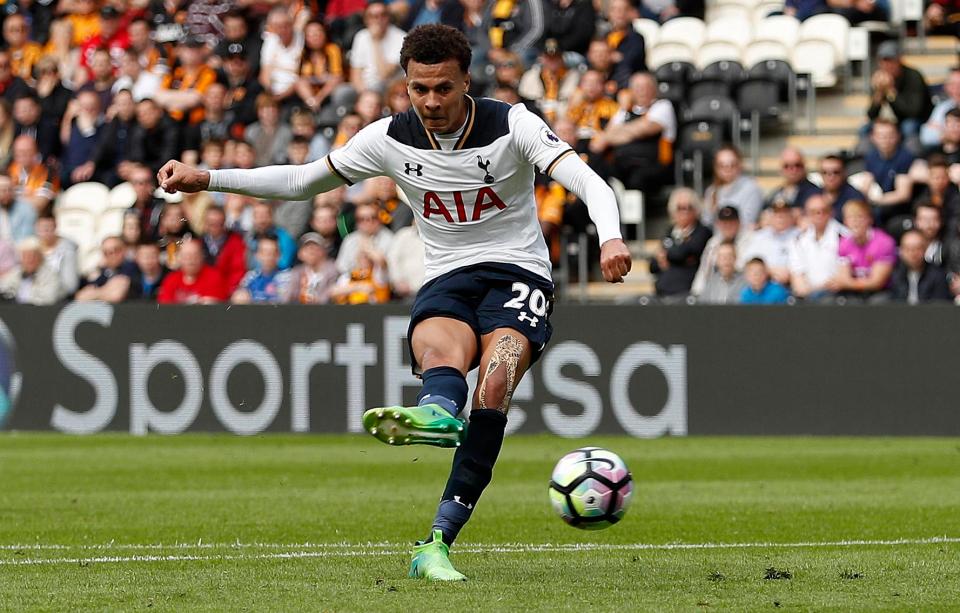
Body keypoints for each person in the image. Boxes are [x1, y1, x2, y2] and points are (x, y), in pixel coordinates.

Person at [156, 24, 629, 582]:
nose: (430, 102)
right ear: (405, 84)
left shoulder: (513, 124)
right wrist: (207, 178)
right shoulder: (388, 137)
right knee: (437, 350)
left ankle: (438, 539)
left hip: (517, 271)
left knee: (496, 381)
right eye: (418, 89)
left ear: (466, 82)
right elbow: (304, 181)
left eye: (443, 89)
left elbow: (590, 183)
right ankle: (436, 412)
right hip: (448, 274)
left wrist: (611, 236)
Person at [589, 71, 675, 194]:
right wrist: (625, 114)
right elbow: (604, 138)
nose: (643, 91)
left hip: (652, 164)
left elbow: (643, 129)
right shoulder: (624, 110)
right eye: (638, 87)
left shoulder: (662, 106)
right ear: (631, 91)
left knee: (637, 179)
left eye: (647, 87)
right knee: (597, 169)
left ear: (654, 89)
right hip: (622, 163)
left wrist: (620, 133)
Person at [865, 41, 932, 150]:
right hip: (890, 120)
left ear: (899, 60)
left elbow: (913, 112)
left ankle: (910, 159)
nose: (887, 65)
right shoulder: (879, 78)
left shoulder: (913, 76)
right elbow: (871, 114)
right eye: (883, 61)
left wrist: (891, 92)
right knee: (865, 129)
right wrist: (879, 93)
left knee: (908, 127)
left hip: (916, 119)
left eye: (891, 61)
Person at [649, 187, 712, 299]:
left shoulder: (702, 231)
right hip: (662, 291)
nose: (685, 212)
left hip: (687, 292)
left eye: (689, 207)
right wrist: (672, 257)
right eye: (680, 208)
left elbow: (684, 252)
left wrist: (667, 256)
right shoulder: (670, 231)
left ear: (696, 210)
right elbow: (653, 265)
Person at [829, 199, 896, 302]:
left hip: (881, 292)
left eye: (860, 217)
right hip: (854, 293)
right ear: (845, 222)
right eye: (851, 218)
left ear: (870, 219)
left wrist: (847, 283)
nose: (855, 222)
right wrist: (847, 283)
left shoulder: (884, 242)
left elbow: (877, 282)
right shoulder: (844, 243)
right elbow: (843, 275)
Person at [788, 194, 848, 301]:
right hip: (807, 295)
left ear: (831, 212)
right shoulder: (798, 239)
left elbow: (842, 276)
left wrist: (816, 290)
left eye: (823, 211)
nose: (819, 215)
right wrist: (806, 291)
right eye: (813, 212)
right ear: (807, 214)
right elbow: (797, 274)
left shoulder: (844, 237)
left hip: (836, 294)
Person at [690, 205, 753, 296]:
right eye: (724, 223)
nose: (728, 226)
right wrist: (696, 293)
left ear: (739, 222)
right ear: (718, 224)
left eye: (731, 222)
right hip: (715, 289)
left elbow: (744, 268)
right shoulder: (713, 242)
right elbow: (704, 271)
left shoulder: (750, 238)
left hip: (741, 288)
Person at [349, 1, 405, 93]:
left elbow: (384, 74)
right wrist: (363, 94)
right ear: (366, 20)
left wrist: (376, 41)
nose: (379, 20)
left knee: (378, 87)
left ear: (388, 17)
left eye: (383, 15)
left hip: (388, 87)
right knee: (342, 92)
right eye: (373, 16)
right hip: (363, 89)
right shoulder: (361, 36)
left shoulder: (400, 37)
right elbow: (355, 74)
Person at [702, 145, 764, 228]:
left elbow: (747, 222)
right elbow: (706, 223)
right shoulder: (711, 191)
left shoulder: (751, 188)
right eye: (722, 165)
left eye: (732, 164)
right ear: (716, 168)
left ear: (740, 165)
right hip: (717, 238)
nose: (727, 169)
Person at [741, 200, 799, 287]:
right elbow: (746, 261)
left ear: (791, 216)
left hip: (789, 286)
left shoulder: (799, 236)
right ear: (771, 217)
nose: (780, 217)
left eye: (784, 214)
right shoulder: (760, 236)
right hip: (763, 284)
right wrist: (769, 270)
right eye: (777, 214)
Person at [157, 238, 229, 304]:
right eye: (186, 256)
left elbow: (217, 307)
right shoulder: (171, 279)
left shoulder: (214, 277)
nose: (191, 260)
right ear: (179, 258)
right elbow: (164, 307)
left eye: (195, 256)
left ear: (202, 257)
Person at [889, 229, 952, 303]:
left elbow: (940, 307)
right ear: (901, 251)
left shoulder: (938, 275)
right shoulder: (895, 274)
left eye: (917, 248)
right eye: (908, 249)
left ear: (925, 249)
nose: (913, 253)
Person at [75, 236, 142, 302]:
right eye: (107, 252)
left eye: (116, 250)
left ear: (124, 249)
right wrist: (107, 290)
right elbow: (80, 297)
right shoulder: (103, 271)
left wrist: (95, 293)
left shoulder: (131, 267)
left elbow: (116, 295)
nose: (113, 255)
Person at [0, 237, 63, 304]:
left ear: (40, 257)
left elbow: (49, 298)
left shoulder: (50, 275)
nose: (29, 260)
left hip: (38, 311)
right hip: (14, 310)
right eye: (25, 256)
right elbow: (4, 287)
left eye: (33, 256)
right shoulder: (16, 272)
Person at [201, 205, 247, 294]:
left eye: (218, 223)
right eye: (211, 224)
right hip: (204, 292)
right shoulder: (199, 243)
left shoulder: (236, 242)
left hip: (228, 292)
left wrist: (225, 291)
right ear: (205, 223)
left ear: (224, 222)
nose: (214, 227)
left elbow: (238, 270)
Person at [232, 235, 291, 304]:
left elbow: (284, 301)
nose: (268, 256)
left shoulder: (287, 276)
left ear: (279, 255)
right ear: (257, 255)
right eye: (264, 252)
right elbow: (239, 295)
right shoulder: (251, 276)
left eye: (272, 253)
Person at [284, 232, 339, 303]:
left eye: (316, 247)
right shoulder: (297, 271)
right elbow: (287, 297)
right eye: (307, 248)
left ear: (324, 252)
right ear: (300, 254)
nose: (311, 250)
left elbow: (329, 295)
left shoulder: (333, 270)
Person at [34, 213, 78, 297]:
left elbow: (70, 285)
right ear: (36, 228)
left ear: (56, 227)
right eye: (42, 228)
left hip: (58, 296)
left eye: (48, 228)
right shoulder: (31, 247)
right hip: (34, 295)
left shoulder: (68, 249)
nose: (46, 231)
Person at [765, 147, 819, 212]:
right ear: (780, 169)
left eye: (797, 165)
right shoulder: (776, 193)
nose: (793, 169)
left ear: (804, 167)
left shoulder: (814, 193)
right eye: (787, 166)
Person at [694, 240, 745, 304]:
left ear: (735, 258)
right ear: (717, 260)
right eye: (722, 257)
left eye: (729, 256)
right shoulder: (711, 282)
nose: (726, 260)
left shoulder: (745, 282)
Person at [818, 155, 865, 222]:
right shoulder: (813, 195)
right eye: (825, 172)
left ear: (844, 173)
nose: (831, 177)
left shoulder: (855, 197)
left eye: (836, 172)